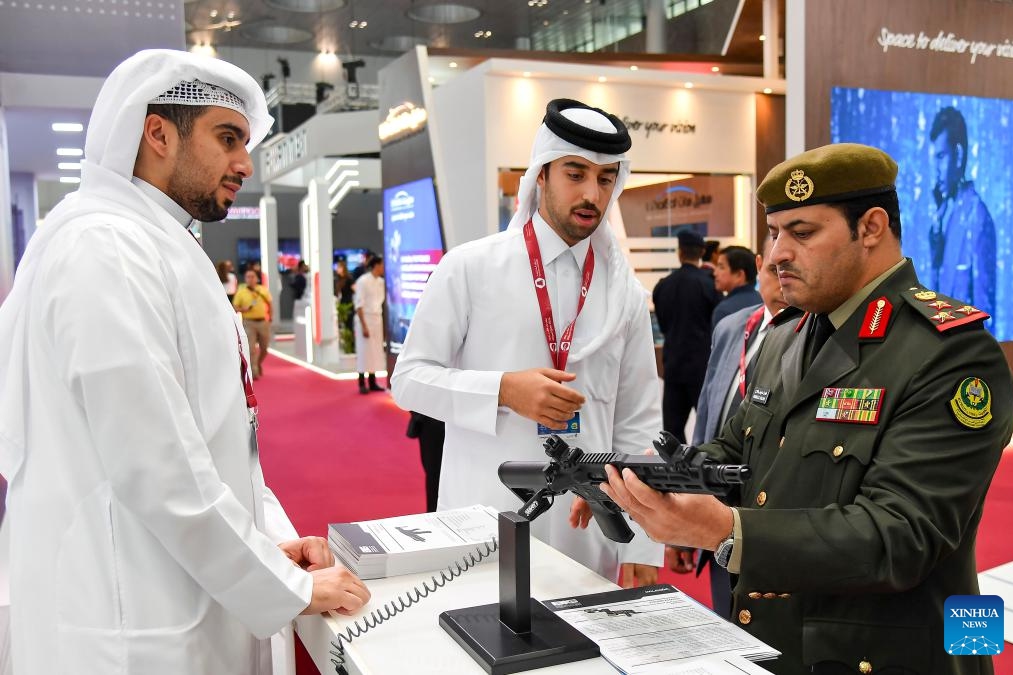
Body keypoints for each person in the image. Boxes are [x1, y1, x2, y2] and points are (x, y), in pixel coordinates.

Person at [0, 49, 369, 675]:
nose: (244, 165)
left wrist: (267, 547)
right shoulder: (106, 246)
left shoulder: (157, 242)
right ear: (157, 133)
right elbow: (156, 461)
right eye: (227, 138)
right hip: (127, 624)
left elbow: (216, 436)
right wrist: (287, 585)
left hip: (178, 586)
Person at [598, 143, 1013, 675]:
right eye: (774, 233)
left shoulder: (951, 352)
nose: (775, 256)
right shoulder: (786, 337)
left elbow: (901, 536)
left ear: (871, 227)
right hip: (772, 644)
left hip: (885, 656)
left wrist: (728, 531)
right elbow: (734, 453)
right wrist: (637, 481)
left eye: (802, 232)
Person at [392, 98, 663, 585]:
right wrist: (503, 391)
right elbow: (409, 380)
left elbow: (639, 420)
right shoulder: (470, 267)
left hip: (590, 532)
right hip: (483, 524)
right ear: (541, 175)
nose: (592, 195)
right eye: (575, 174)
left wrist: (643, 541)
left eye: (605, 179)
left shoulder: (625, 293)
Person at [674, 235, 791, 618]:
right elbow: (707, 418)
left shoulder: (816, 338)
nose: (783, 279)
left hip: (774, 529)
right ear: (758, 266)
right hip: (713, 514)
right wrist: (683, 489)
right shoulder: (732, 327)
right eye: (773, 269)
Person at [652, 230, 719, 443]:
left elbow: (662, 324)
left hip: (673, 364)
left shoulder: (663, 285)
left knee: (672, 430)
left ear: (679, 253)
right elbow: (718, 325)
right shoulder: (710, 284)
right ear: (701, 252)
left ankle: (678, 472)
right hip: (703, 366)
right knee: (711, 426)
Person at [929, 106, 996, 320]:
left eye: (941, 156)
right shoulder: (947, 215)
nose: (936, 168)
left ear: (957, 155)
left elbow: (985, 312)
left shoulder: (977, 218)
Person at [354, 254, 386, 394]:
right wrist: (364, 326)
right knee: (364, 351)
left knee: (375, 352)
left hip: (377, 319)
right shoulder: (363, 281)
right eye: (381, 265)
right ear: (375, 265)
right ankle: (362, 382)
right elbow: (359, 305)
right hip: (365, 318)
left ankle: (372, 382)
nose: (383, 268)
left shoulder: (381, 282)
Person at [234, 268, 274, 379]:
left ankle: (258, 363)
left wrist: (270, 317)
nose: (250, 279)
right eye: (248, 277)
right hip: (248, 322)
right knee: (251, 348)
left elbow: (270, 304)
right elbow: (234, 307)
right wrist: (242, 309)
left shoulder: (263, 290)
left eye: (252, 276)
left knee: (264, 348)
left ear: (257, 278)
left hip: (263, 322)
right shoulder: (241, 292)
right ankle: (254, 370)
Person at [711, 245, 760, 327]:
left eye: (721, 267)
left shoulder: (724, 310)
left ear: (739, 275)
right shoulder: (764, 303)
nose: (715, 273)